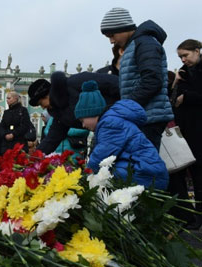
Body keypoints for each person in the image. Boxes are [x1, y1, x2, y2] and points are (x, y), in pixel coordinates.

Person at [100, 7, 174, 149]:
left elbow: (152, 80)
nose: (111, 41)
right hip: (143, 114)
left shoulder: (145, 43)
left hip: (149, 117)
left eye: (111, 35)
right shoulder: (136, 45)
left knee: (145, 165)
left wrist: (124, 106)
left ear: (123, 27)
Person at [75, 80, 168, 189]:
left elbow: (103, 153)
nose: (83, 125)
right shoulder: (111, 121)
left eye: (82, 120)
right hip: (145, 169)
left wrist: (86, 174)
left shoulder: (109, 124)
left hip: (143, 173)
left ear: (91, 113)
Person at [29, 72, 119, 154]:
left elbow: (112, 83)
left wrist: (125, 104)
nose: (43, 107)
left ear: (47, 95)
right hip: (104, 132)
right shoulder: (59, 113)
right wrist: (36, 156)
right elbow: (52, 138)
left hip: (119, 117)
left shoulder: (75, 82)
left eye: (41, 103)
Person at [172, 39, 202, 228]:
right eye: (181, 56)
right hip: (187, 130)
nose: (184, 59)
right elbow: (173, 100)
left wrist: (187, 97)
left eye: (186, 55)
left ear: (197, 51)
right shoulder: (184, 74)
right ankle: (193, 216)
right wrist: (175, 83)